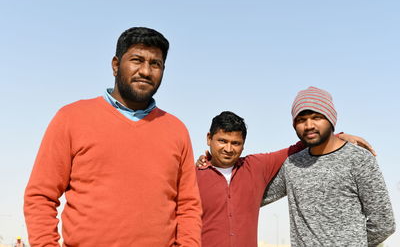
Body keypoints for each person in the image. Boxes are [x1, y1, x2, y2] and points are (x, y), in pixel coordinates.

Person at [24, 27, 202, 247]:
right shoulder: (71, 118)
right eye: (137, 60)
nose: (146, 71)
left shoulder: (177, 130)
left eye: (155, 64)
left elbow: (188, 206)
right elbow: (40, 196)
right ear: (116, 65)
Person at [195, 111, 371, 247]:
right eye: (222, 141)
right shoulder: (192, 176)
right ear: (209, 139)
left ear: (243, 145)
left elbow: (295, 149)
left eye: (236, 143)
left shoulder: (256, 166)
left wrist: (337, 137)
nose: (228, 148)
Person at [263, 86, 396, 246]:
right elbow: (254, 198)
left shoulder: (358, 159)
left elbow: (384, 223)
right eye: (301, 120)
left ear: (331, 119)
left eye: (316, 117)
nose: (309, 125)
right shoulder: (292, 164)